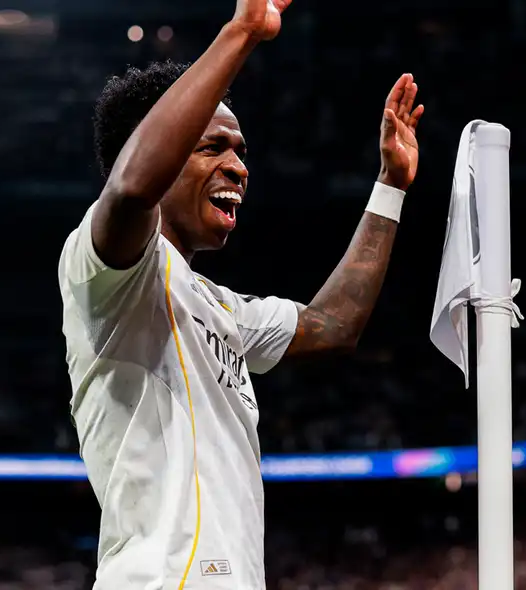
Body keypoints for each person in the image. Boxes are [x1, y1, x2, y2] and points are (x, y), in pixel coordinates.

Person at [58, 0, 423, 587]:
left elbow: (333, 326)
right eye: (212, 147)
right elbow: (130, 189)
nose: (238, 167)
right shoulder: (100, 272)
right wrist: (244, 30)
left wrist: (390, 187)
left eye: (241, 153)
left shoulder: (220, 308)